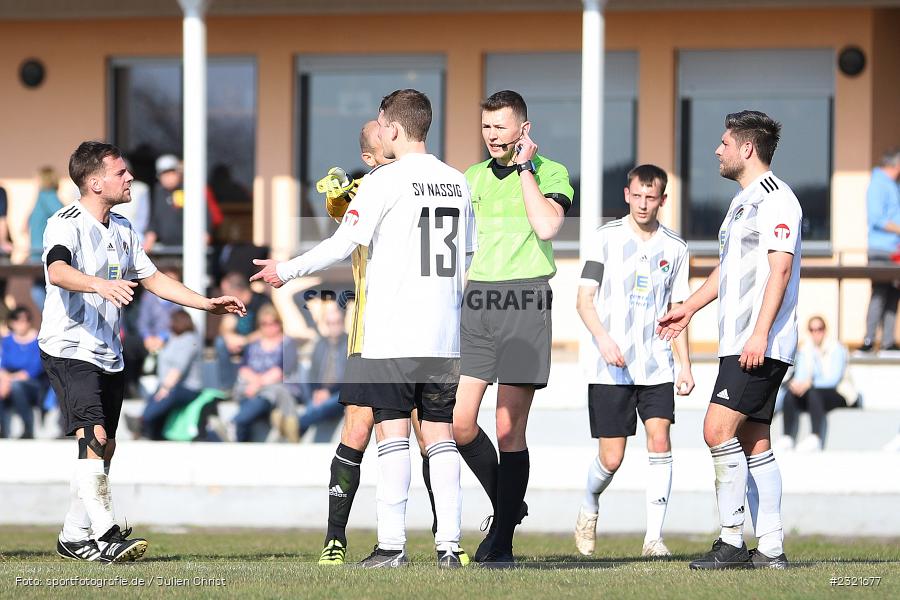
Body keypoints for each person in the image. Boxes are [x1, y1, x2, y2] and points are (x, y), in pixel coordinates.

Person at [252, 89, 476, 569]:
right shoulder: (457, 182)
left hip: (393, 329)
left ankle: (392, 546)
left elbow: (342, 243)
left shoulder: (384, 180)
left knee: (392, 433)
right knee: (440, 436)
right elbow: (469, 259)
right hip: (443, 335)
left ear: (393, 129)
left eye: (381, 124)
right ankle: (450, 548)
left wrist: (285, 270)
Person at [42, 141, 245, 563]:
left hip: (106, 351)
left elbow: (153, 279)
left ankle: (73, 533)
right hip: (69, 346)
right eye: (121, 173)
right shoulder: (64, 223)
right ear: (95, 182)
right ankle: (107, 535)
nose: (130, 178)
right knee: (93, 438)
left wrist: (206, 303)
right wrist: (98, 284)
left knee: (106, 445)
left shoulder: (124, 228)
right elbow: (57, 270)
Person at [658, 111, 801, 570]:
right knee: (755, 441)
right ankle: (772, 550)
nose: (717, 151)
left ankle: (732, 543)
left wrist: (759, 334)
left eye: (724, 143)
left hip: (756, 343)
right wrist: (690, 307)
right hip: (738, 341)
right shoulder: (742, 202)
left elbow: (779, 269)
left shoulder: (778, 200)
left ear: (747, 149)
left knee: (716, 431)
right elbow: (728, 270)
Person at [452, 90, 573, 566]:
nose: (492, 136)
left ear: (523, 128)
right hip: (477, 300)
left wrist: (525, 170)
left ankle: (501, 540)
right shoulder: (470, 178)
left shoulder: (551, 172)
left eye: (500, 127)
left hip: (525, 299)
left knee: (507, 428)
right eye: (486, 127)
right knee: (460, 424)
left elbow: (546, 228)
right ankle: (509, 504)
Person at [573, 165, 694, 558]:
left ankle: (654, 539)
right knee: (612, 457)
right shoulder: (604, 240)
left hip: (657, 364)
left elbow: (678, 310)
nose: (643, 204)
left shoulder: (676, 248)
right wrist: (603, 340)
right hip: (611, 366)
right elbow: (584, 300)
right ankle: (589, 504)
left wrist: (686, 366)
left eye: (651, 196)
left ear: (662, 199)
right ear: (627, 195)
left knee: (660, 439)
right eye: (637, 196)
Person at [778, 316, 850, 452]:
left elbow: (833, 380)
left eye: (819, 329)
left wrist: (809, 384)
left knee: (813, 392)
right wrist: (796, 384)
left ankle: (815, 437)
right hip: (813, 394)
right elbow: (801, 376)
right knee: (790, 394)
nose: (816, 333)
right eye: (812, 329)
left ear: (825, 330)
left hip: (838, 393)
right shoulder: (806, 350)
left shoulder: (837, 349)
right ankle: (787, 437)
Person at [230, 304, 298, 443]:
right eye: (264, 323)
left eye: (273, 323)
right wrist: (255, 383)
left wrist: (257, 384)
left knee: (251, 410)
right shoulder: (253, 344)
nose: (269, 327)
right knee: (248, 403)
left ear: (279, 323)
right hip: (250, 388)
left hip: (274, 389)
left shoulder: (287, 343)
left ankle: (235, 423)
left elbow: (280, 371)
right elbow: (243, 368)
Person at [133, 310, 203, 440]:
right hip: (168, 385)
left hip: (186, 388)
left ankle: (142, 421)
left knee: (165, 397)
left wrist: (165, 388)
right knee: (155, 396)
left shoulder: (189, 340)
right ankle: (147, 429)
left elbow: (178, 368)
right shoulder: (171, 338)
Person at [861, 147, 900, 352]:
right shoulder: (878, 184)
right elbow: (877, 218)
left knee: (893, 293)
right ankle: (869, 339)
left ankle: (888, 341)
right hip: (881, 249)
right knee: (879, 293)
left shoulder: (892, 186)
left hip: (894, 250)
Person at [215, 271, 269, 389]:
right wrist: (229, 338)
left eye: (225, 291)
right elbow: (225, 326)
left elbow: (267, 330)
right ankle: (227, 388)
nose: (222, 295)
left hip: (256, 342)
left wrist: (244, 340)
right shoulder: (232, 304)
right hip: (238, 343)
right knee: (220, 342)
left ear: (236, 290)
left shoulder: (262, 302)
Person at [0, 307, 46, 439]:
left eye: (24, 320)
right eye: (17, 320)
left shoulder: (38, 340)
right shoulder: (7, 341)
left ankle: (28, 427)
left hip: (34, 385)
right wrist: (5, 379)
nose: (20, 323)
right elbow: (2, 364)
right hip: (9, 381)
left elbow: (34, 369)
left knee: (16, 386)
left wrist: (9, 379)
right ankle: (2, 428)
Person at [29, 167, 65, 310]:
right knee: (38, 290)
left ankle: (52, 320)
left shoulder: (47, 195)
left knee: (39, 291)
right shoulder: (43, 196)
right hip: (38, 251)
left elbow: (62, 215)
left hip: (43, 252)